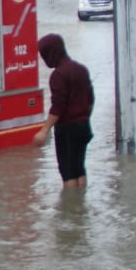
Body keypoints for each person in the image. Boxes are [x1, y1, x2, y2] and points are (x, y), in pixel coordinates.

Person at [33, 33, 94, 187]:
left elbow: (58, 107)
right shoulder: (81, 69)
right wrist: (85, 117)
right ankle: (80, 205)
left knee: (68, 172)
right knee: (79, 168)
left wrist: (44, 130)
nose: (43, 58)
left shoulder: (58, 75)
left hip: (68, 129)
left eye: (43, 54)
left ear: (52, 53)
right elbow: (91, 99)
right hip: (84, 126)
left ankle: (70, 209)